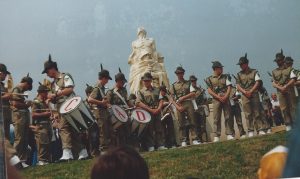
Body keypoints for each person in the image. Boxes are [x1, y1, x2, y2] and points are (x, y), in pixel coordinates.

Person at [42, 54, 88, 161]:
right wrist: (50, 98)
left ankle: (68, 153)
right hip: (60, 107)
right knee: (70, 129)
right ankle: (82, 151)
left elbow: (70, 89)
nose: (47, 74)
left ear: (52, 69)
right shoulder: (53, 84)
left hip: (69, 105)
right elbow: (55, 97)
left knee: (65, 128)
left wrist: (56, 94)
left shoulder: (65, 76)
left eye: (47, 72)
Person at [128, 27, 170, 94]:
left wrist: (154, 74)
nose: (147, 56)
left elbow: (154, 51)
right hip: (140, 66)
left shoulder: (151, 40)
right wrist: (144, 74)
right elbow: (134, 53)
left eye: (148, 54)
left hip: (153, 65)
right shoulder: (134, 43)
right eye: (145, 55)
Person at [236, 54, 266, 137]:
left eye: (242, 64)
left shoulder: (254, 71)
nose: (241, 66)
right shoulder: (239, 74)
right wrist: (244, 92)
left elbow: (258, 82)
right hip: (244, 95)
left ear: (246, 64)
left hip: (254, 93)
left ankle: (260, 129)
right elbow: (238, 85)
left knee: (257, 112)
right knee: (247, 114)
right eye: (240, 65)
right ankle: (250, 130)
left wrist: (251, 91)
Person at [0, 64, 23, 169]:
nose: (5, 76)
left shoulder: (2, 85)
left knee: (6, 138)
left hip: (5, 114)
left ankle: (9, 164)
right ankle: (14, 161)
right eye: (4, 74)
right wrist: (7, 96)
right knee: (3, 138)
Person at [136, 72, 167, 151]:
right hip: (148, 112)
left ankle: (160, 145)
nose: (146, 82)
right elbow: (139, 103)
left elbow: (161, 100)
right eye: (145, 81)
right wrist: (150, 110)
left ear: (151, 81)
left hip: (157, 110)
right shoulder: (141, 91)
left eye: (148, 80)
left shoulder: (157, 90)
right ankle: (151, 146)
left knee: (159, 128)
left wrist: (159, 108)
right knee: (149, 130)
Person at [170, 66, 200, 146]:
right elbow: (171, 99)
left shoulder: (189, 83)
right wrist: (177, 107)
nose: (180, 74)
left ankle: (194, 139)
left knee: (192, 121)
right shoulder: (173, 85)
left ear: (183, 73)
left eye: (181, 73)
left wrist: (183, 97)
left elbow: (193, 93)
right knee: (181, 123)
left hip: (188, 102)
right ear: (176, 74)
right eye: (178, 73)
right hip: (179, 104)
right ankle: (183, 140)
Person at [206, 61, 234, 142]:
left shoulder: (226, 77)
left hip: (225, 97)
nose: (222, 69)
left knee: (228, 116)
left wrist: (226, 96)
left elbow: (229, 87)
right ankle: (216, 136)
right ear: (215, 69)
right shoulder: (209, 79)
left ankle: (229, 134)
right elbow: (209, 91)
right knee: (216, 118)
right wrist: (218, 97)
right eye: (220, 68)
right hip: (216, 99)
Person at [88, 65, 113, 153]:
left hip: (104, 112)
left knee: (106, 131)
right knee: (102, 132)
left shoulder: (102, 88)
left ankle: (105, 149)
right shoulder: (97, 87)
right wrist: (101, 103)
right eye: (106, 79)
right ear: (103, 78)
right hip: (99, 113)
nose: (107, 81)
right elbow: (90, 99)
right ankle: (103, 150)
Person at [10, 73, 33, 166]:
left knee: (24, 139)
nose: (27, 89)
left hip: (22, 117)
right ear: (26, 83)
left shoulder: (20, 90)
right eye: (28, 87)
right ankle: (15, 161)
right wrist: (26, 105)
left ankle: (22, 161)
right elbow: (15, 104)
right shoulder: (17, 89)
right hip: (19, 117)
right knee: (19, 139)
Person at [272, 50, 296, 131]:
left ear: (283, 59)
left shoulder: (290, 69)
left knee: (292, 107)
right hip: (280, 91)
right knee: (284, 109)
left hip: (289, 90)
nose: (278, 62)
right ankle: (288, 124)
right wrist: (280, 88)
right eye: (277, 61)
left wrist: (286, 86)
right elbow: (273, 83)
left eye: (280, 60)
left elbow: (293, 79)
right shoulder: (274, 71)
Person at [106, 68, 131, 146]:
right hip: (117, 115)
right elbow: (107, 103)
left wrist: (134, 106)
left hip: (125, 113)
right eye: (122, 81)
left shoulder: (124, 90)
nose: (123, 83)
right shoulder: (111, 91)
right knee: (119, 133)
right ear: (118, 81)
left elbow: (127, 101)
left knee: (127, 131)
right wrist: (115, 111)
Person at [31, 83, 52, 165]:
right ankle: (41, 160)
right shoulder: (36, 102)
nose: (47, 94)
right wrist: (45, 114)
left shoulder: (44, 102)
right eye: (45, 92)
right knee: (42, 143)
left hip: (47, 125)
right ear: (40, 92)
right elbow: (33, 114)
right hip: (40, 125)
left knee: (47, 143)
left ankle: (46, 160)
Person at [190, 75, 209, 143]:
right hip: (193, 110)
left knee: (203, 125)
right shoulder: (188, 91)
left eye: (194, 80)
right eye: (192, 81)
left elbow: (205, 99)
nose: (194, 82)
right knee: (196, 125)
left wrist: (207, 109)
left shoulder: (200, 89)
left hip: (201, 108)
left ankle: (204, 140)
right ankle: (198, 140)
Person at [85, 84, 100, 157]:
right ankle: (92, 153)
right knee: (92, 139)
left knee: (97, 138)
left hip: (97, 121)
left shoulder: (95, 101)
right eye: (91, 92)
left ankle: (97, 152)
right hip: (89, 123)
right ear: (88, 93)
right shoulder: (85, 103)